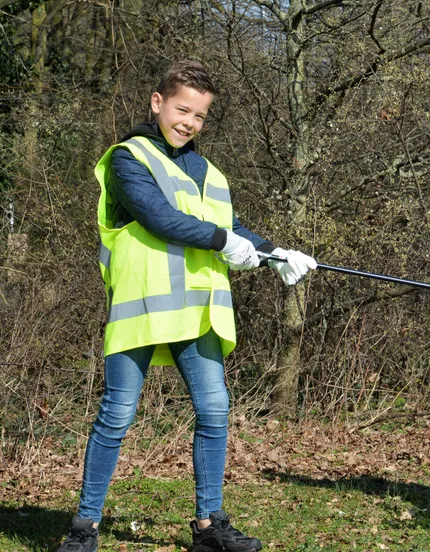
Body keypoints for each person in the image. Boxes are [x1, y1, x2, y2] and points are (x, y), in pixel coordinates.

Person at [57, 60, 316, 552]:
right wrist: (224, 241)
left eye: (199, 116)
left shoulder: (208, 172)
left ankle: (208, 527)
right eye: (182, 110)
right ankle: (83, 529)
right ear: (157, 103)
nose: (189, 123)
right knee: (117, 414)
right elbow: (160, 218)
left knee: (215, 411)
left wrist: (275, 253)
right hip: (142, 310)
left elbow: (231, 229)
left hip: (199, 311)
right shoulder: (128, 158)